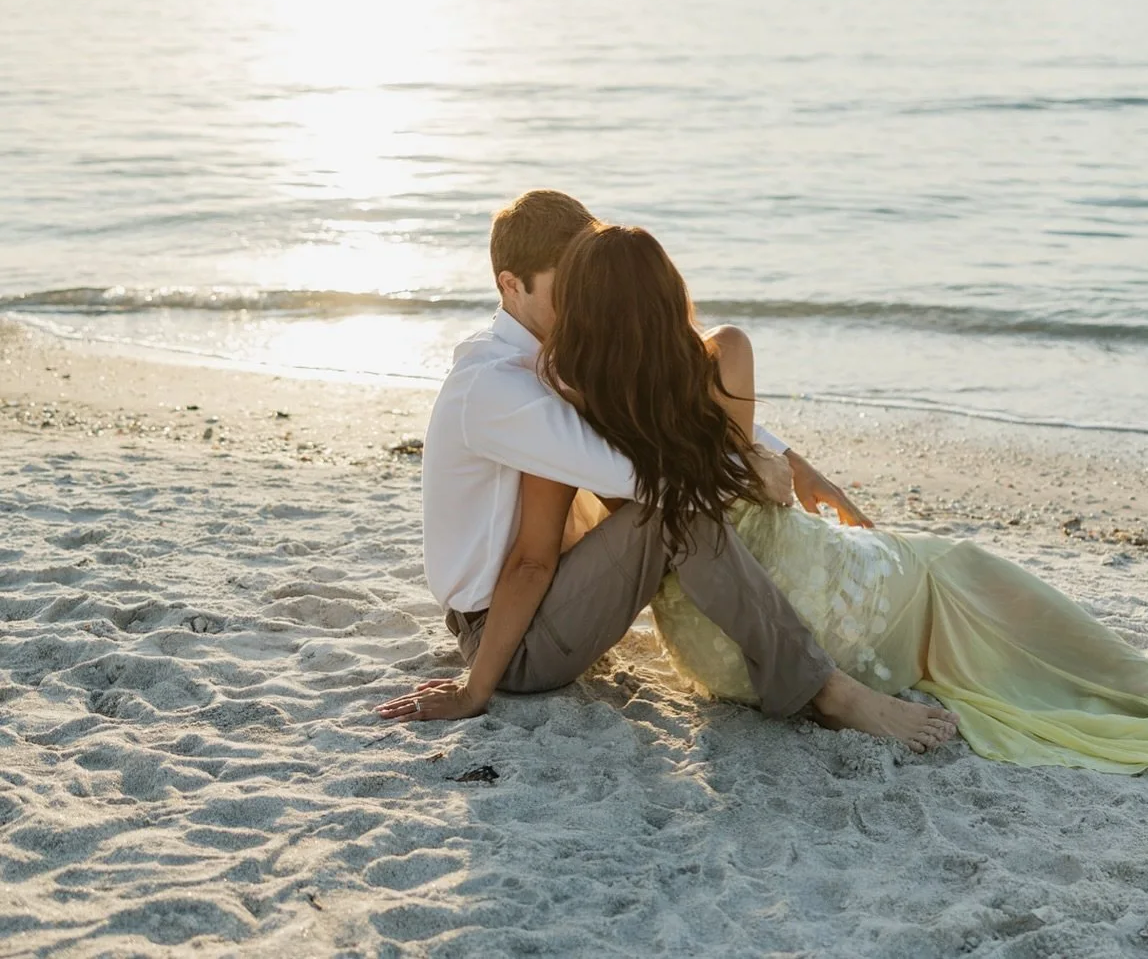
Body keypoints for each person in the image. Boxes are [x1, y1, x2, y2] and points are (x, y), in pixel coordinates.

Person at [492, 222, 1148, 783]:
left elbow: (625, 512)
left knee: (926, 570)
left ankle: (865, 680)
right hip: (807, 607)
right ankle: (1144, 686)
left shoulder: (563, 398)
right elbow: (735, 473)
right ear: (670, 295)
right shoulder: (723, 351)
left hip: (713, 653)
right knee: (953, 564)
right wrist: (779, 466)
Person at [377, 190, 956, 753]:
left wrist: (787, 460)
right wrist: (475, 687)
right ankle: (825, 689)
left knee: (674, 501)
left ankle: (816, 678)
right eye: (570, 287)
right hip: (508, 640)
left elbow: (657, 423)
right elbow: (645, 480)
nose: (589, 301)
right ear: (511, 285)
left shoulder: (550, 366)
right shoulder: (499, 386)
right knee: (672, 509)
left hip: (551, 601)